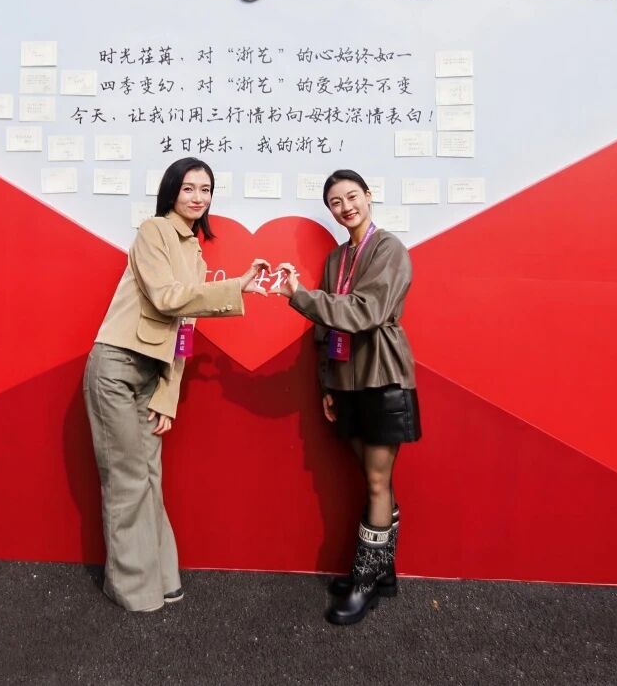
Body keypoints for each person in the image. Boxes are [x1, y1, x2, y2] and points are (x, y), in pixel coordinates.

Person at [85, 156, 269, 613]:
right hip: (115, 365)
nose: (198, 197)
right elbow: (167, 299)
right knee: (127, 480)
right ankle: (134, 589)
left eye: (205, 190)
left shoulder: (195, 253)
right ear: (171, 192)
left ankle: (162, 577)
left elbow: (184, 331)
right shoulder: (154, 231)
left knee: (150, 476)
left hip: (151, 374)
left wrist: (168, 396)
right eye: (189, 188)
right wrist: (237, 287)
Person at [274, 169, 422, 626]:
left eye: (352, 197)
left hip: (382, 376)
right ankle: (382, 572)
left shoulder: (390, 248)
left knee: (376, 481)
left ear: (368, 196)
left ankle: (363, 581)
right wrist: (327, 385)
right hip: (347, 381)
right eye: (335, 202)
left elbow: (366, 312)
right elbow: (326, 329)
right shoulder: (337, 258)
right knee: (373, 478)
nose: (346, 207)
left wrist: (300, 296)